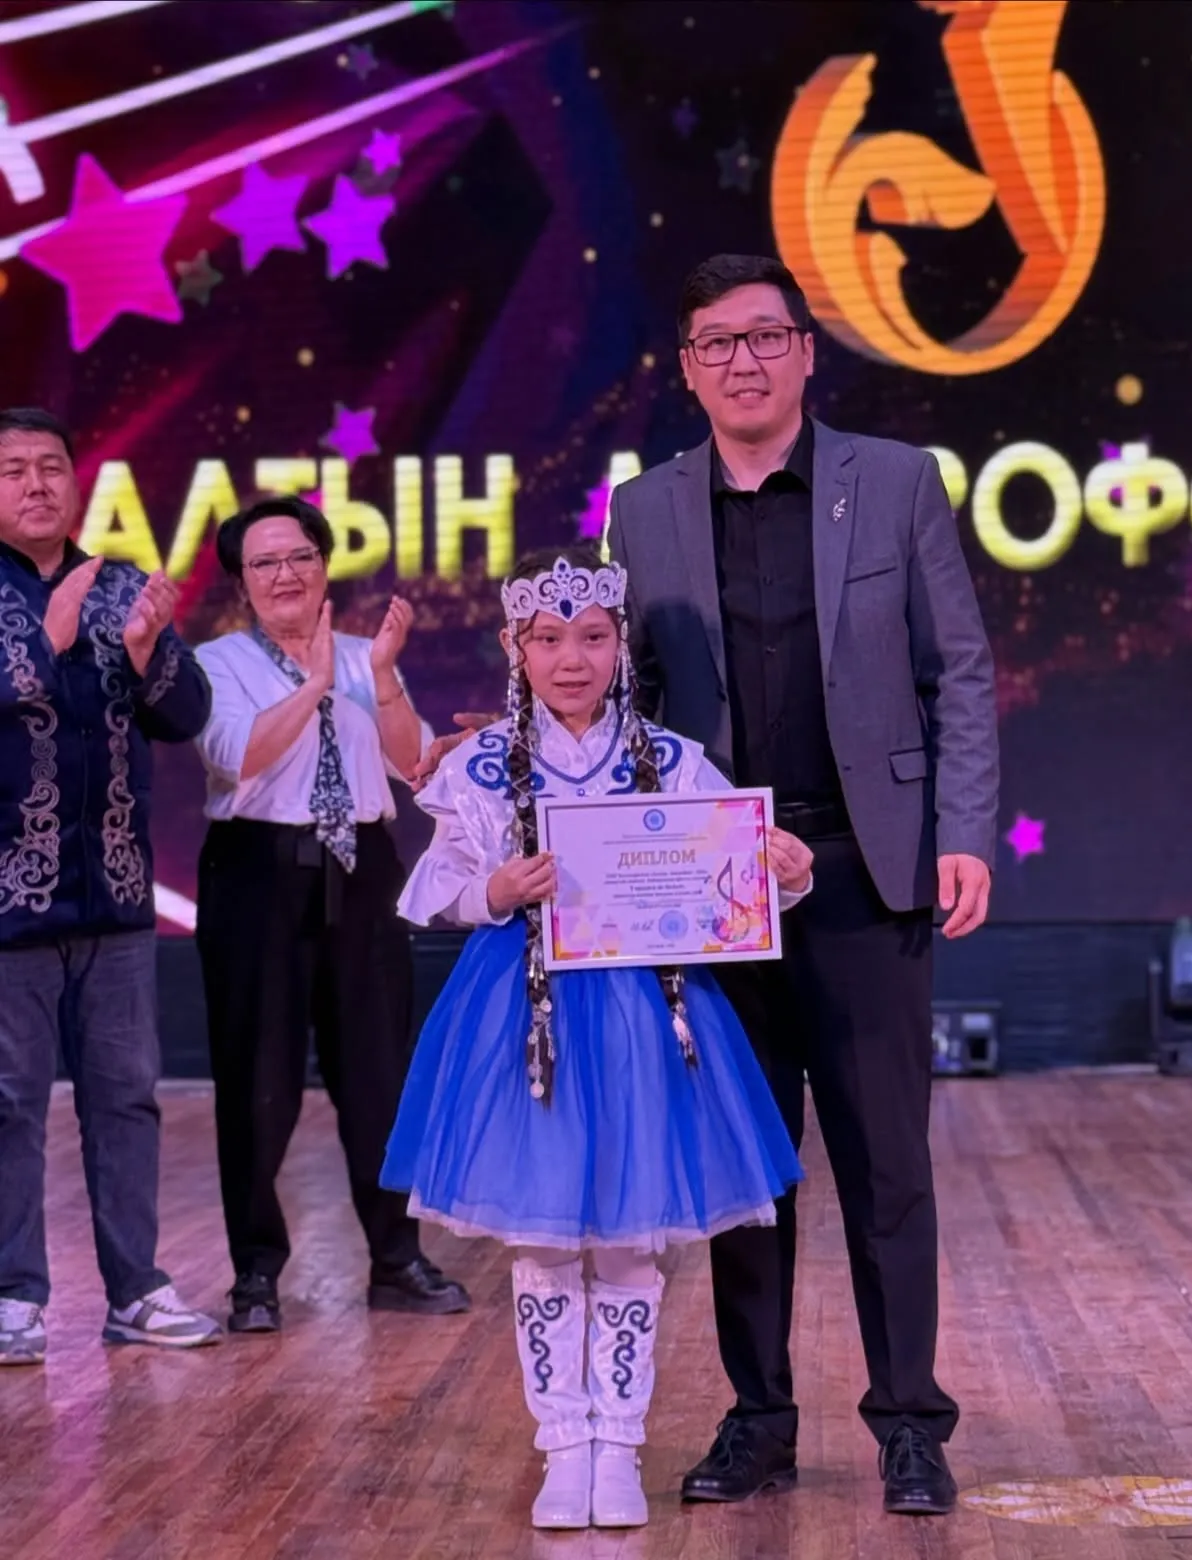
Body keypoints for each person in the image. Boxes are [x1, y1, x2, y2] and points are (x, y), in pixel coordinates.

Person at [606, 255, 1001, 1515]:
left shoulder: (895, 481)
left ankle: (910, 1423)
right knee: (743, 1170)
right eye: (717, 343)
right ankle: (759, 1417)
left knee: (888, 1166)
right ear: (687, 368)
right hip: (716, 885)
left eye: (765, 337)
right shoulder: (643, 511)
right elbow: (632, 702)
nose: (744, 362)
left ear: (806, 352)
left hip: (867, 873)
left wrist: (963, 830)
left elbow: (959, 671)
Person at [382, 545, 814, 1531]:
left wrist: (782, 874)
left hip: (641, 1020)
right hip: (522, 1017)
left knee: (627, 1239)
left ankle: (618, 1444)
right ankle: (561, 1446)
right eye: (547, 639)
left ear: (620, 645)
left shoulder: (672, 759)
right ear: (515, 646)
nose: (570, 659)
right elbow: (437, 889)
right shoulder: (479, 765)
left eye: (591, 637)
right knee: (543, 1242)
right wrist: (496, 890)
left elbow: (725, 887)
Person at [192, 495, 467, 1334]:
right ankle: (255, 1273)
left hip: (363, 867)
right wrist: (313, 683)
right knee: (258, 1080)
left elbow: (413, 764)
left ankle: (397, 1258)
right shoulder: (215, 662)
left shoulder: (364, 655)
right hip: (257, 871)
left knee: (379, 1072)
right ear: (242, 581)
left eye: (300, 556)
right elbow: (238, 756)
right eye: (266, 562)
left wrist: (380, 678)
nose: (286, 574)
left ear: (323, 565)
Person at [0, 406, 221, 1363]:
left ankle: (136, 1289)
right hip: (8, 906)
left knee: (126, 1100)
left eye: (52, 465)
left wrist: (146, 654)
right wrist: (41, 648)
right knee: (8, 1104)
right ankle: (13, 1295)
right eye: (13, 469)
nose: (37, 483)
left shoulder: (122, 585)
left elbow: (188, 715)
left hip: (118, 901)